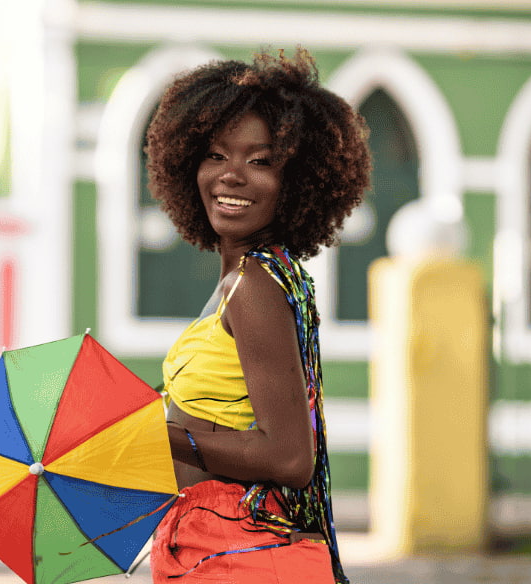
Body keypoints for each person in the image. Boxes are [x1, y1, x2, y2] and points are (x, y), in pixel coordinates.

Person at [145, 48, 371, 584]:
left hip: (241, 553)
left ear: (298, 179)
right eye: (216, 155)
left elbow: (291, 457)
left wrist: (156, 433)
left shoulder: (257, 285)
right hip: (215, 543)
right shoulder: (251, 279)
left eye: (261, 160)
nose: (232, 176)